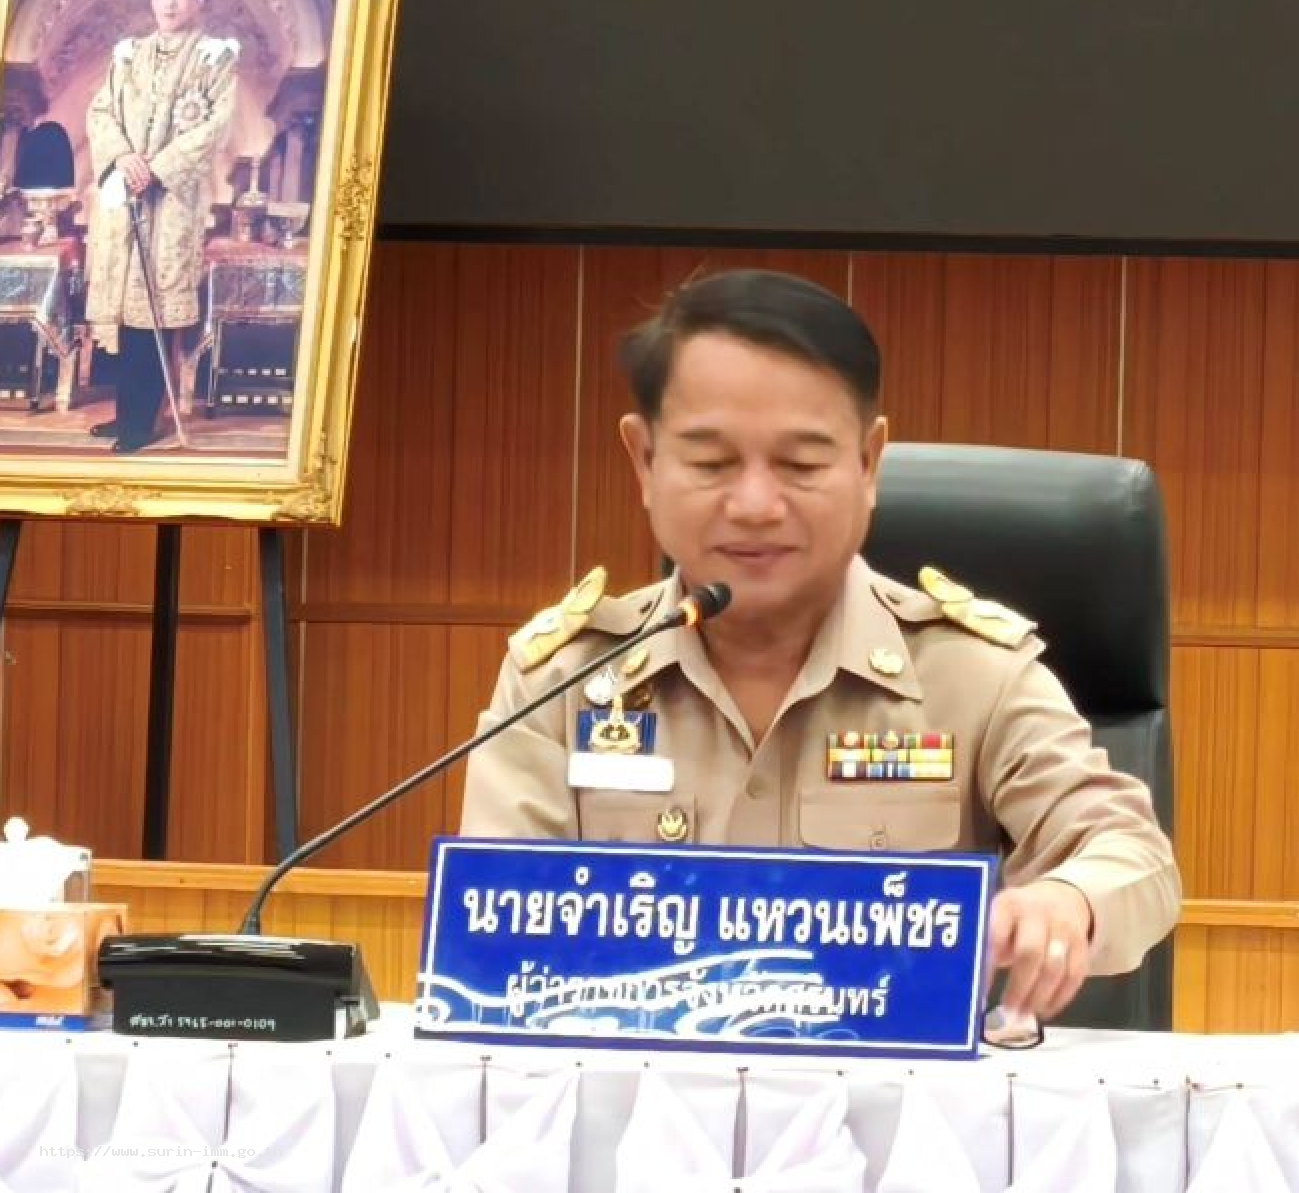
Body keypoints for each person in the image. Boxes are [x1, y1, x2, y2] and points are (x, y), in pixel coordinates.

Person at [460, 269, 1181, 1026]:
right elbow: (493, 939)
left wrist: (1068, 900)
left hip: (897, 1096)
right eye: (710, 463)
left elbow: (1132, 853)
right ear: (644, 461)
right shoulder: (567, 679)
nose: (755, 505)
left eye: (801, 465)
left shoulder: (973, 676)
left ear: (869, 463)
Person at [83, 0, 238, 452]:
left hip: (171, 202)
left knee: (153, 309)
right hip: (126, 195)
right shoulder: (128, 55)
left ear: (199, 0)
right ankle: (127, 412)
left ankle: (144, 420)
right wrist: (122, 157)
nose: (170, 4)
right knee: (126, 309)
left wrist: (157, 168)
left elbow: (215, 127)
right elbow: (101, 112)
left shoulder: (215, 57)